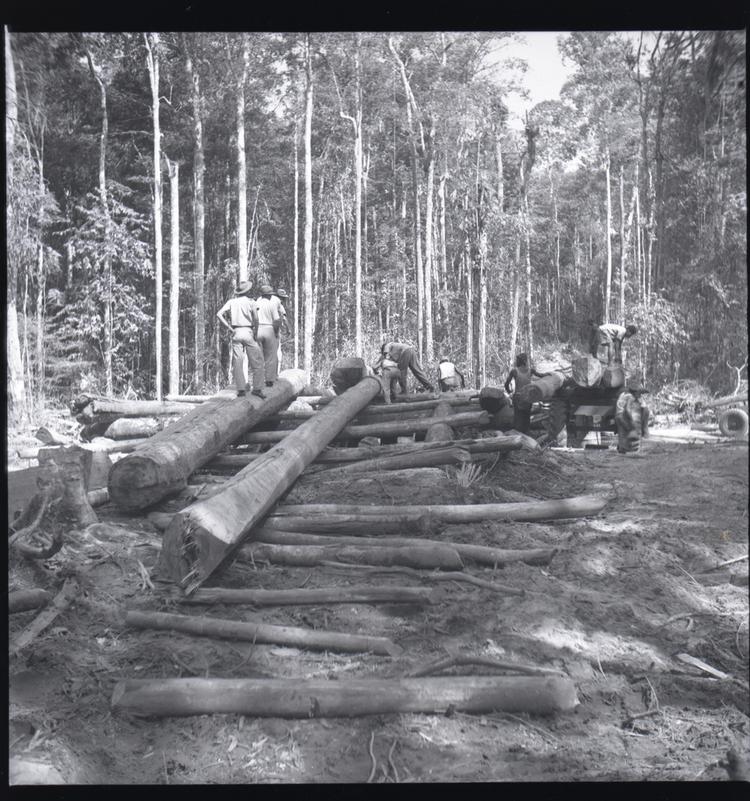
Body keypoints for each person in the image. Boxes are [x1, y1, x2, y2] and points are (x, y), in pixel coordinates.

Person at [216, 280, 266, 398]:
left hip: (236, 332)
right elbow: (256, 319)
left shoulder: (232, 302)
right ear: (248, 291)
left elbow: (219, 314)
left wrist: (229, 327)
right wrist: (256, 332)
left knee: (238, 363)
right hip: (248, 331)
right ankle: (257, 389)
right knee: (257, 361)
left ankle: (241, 390)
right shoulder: (251, 302)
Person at [504, 352, 546, 435]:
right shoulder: (531, 370)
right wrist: (549, 375)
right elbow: (541, 375)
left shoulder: (514, 371)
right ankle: (526, 436)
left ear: (519, 361)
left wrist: (510, 392)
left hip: (518, 398)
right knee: (526, 418)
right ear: (525, 361)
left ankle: (517, 437)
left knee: (518, 418)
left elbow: (506, 384)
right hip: (528, 398)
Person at [615, 377, 650, 454]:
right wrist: (632, 422)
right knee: (629, 430)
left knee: (623, 433)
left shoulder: (623, 394)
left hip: (619, 416)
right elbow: (627, 410)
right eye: (639, 393)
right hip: (622, 416)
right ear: (635, 392)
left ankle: (622, 448)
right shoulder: (629, 397)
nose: (640, 395)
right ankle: (628, 448)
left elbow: (644, 408)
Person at [255, 284, 281, 386]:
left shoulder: (256, 303)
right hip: (269, 328)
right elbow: (277, 320)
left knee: (258, 357)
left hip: (258, 329)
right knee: (270, 356)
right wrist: (276, 331)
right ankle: (269, 380)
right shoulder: (271, 304)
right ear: (268, 295)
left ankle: (258, 380)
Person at [272, 288, 291, 369]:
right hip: (274, 331)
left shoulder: (269, 303)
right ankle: (276, 373)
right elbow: (284, 318)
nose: (283, 300)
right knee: (277, 352)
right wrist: (288, 329)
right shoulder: (279, 305)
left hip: (264, 330)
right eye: (282, 298)